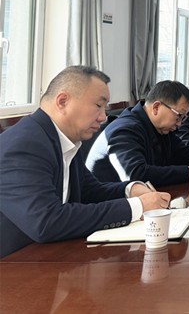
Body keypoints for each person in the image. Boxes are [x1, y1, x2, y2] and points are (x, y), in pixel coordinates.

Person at [0, 66, 170, 258]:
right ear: (62, 101)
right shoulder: (23, 144)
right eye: (98, 106)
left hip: (48, 256)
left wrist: (130, 190)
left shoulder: (63, 139)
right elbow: (45, 221)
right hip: (14, 265)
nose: (103, 117)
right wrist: (137, 206)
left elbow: (89, 192)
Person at [86, 80, 189, 187]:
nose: (179, 124)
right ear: (156, 107)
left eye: (183, 118)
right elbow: (136, 174)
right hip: (109, 207)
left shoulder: (161, 127)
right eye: (179, 116)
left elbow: (186, 153)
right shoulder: (125, 129)